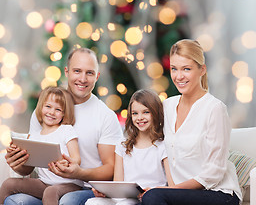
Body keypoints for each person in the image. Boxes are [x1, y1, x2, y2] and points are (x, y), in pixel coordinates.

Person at [4, 48, 123, 205]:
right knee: (15, 200)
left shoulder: (105, 116)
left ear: (97, 77)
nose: (82, 78)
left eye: (89, 73)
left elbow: (111, 169)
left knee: (67, 201)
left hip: (87, 188)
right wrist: (19, 163)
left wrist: (80, 173)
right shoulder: (45, 111)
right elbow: (30, 165)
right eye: (77, 71)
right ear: (66, 72)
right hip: (47, 186)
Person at [141, 39, 242, 205]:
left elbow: (214, 173)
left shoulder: (215, 109)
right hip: (181, 194)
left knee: (154, 197)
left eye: (186, 69)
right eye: (174, 69)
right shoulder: (167, 106)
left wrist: (169, 191)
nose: (179, 76)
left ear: (202, 70)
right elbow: (147, 145)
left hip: (219, 194)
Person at [85, 89, 174, 205]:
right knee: (92, 202)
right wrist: (104, 192)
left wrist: (152, 192)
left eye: (146, 112)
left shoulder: (163, 145)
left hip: (150, 198)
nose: (140, 117)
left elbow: (172, 186)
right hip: (125, 197)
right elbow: (118, 182)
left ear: (155, 113)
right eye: (135, 113)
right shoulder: (122, 145)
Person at [0, 86, 83, 205]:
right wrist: (16, 154)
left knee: (50, 192)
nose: (51, 112)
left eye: (58, 109)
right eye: (48, 106)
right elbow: (28, 167)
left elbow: (77, 159)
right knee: (9, 183)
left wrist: (69, 163)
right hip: (45, 183)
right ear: (41, 107)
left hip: (69, 184)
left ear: (64, 114)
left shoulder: (66, 130)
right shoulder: (34, 136)